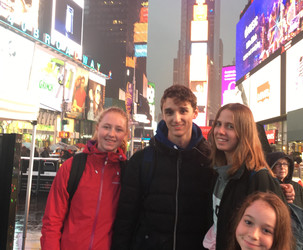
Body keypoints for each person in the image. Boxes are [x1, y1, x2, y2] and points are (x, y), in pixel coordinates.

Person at [112, 85, 215, 250]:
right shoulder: (142, 161)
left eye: (183, 111)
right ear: (163, 115)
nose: (176, 118)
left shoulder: (210, 160)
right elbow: (125, 219)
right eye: (169, 112)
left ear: (195, 113)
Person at [203, 103, 290, 250]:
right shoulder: (218, 172)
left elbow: (276, 234)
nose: (220, 131)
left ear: (244, 132)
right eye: (218, 124)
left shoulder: (258, 177)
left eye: (230, 126)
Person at [40, 107, 128, 250]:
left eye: (118, 129)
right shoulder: (72, 167)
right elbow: (52, 221)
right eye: (106, 127)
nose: (111, 134)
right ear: (97, 128)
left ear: (125, 135)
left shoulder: (127, 173)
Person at [267, 151, 303, 250]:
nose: (282, 167)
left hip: (297, 241)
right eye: (278, 164)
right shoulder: (267, 187)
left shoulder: (297, 187)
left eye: (285, 164)